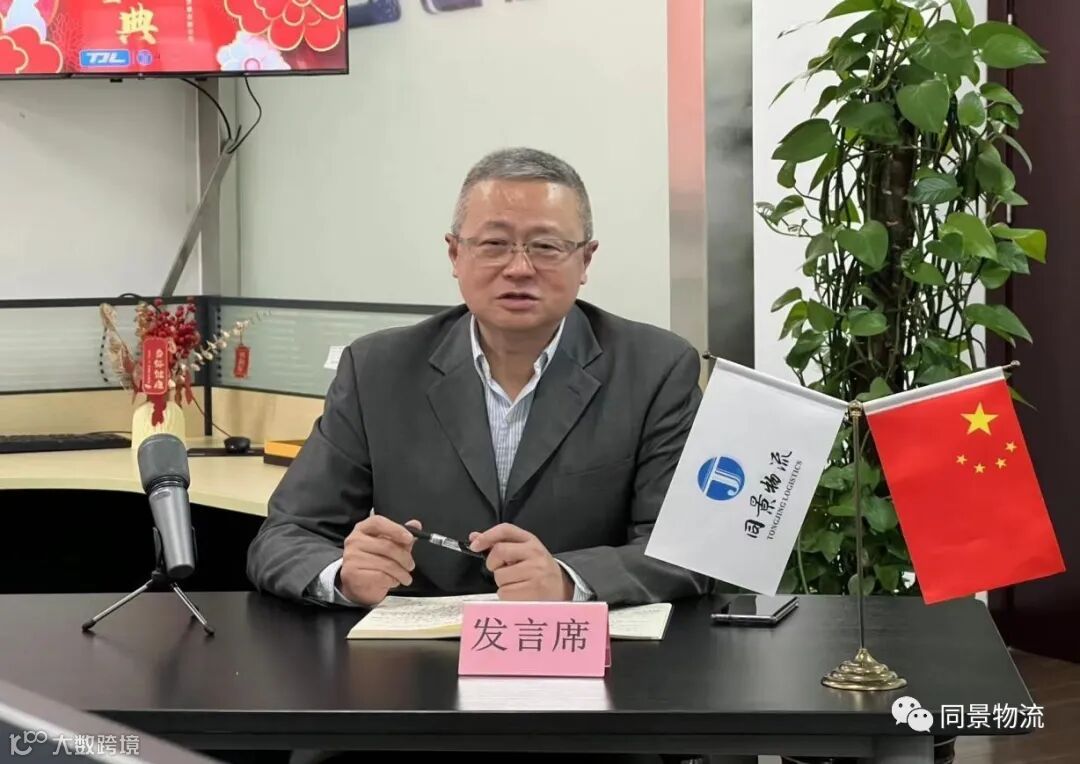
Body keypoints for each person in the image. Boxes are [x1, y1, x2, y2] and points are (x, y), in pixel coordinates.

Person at [246, 147, 710, 609]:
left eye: (546, 246)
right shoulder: (377, 369)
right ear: (455, 253)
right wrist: (344, 577)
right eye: (494, 245)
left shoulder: (656, 369)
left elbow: (687, 553)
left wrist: (569, 581)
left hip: (581, 647)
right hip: (419, 649)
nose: (519, 269)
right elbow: (286, 535)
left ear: (585, 260)